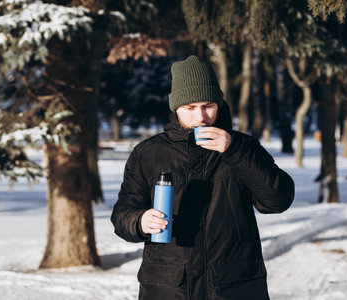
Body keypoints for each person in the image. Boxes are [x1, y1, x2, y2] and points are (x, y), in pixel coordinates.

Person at [111, 55, 295, 300]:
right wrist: (140, 221)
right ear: (176, 108)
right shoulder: (149, 153)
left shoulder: (243, 147)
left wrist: (235, 151)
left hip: (233, 287)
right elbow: (122, 214)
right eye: (190, 108)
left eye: (208, 106)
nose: (201, 117)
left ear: (219, 104)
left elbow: (278, 200)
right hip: (168, 287)